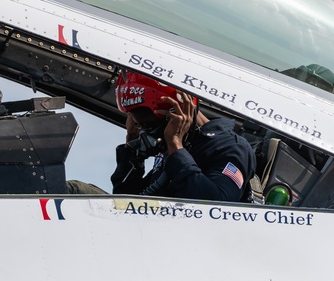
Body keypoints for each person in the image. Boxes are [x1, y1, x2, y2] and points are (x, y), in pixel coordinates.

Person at [109, 71, 256, 202]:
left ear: (178, 115)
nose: (145, 133)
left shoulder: (231, 147)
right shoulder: (174, 149)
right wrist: (131, 150)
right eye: (139, 125)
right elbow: (124, 199)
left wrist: (175, 146)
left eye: (148, 126)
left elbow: (216, 204)